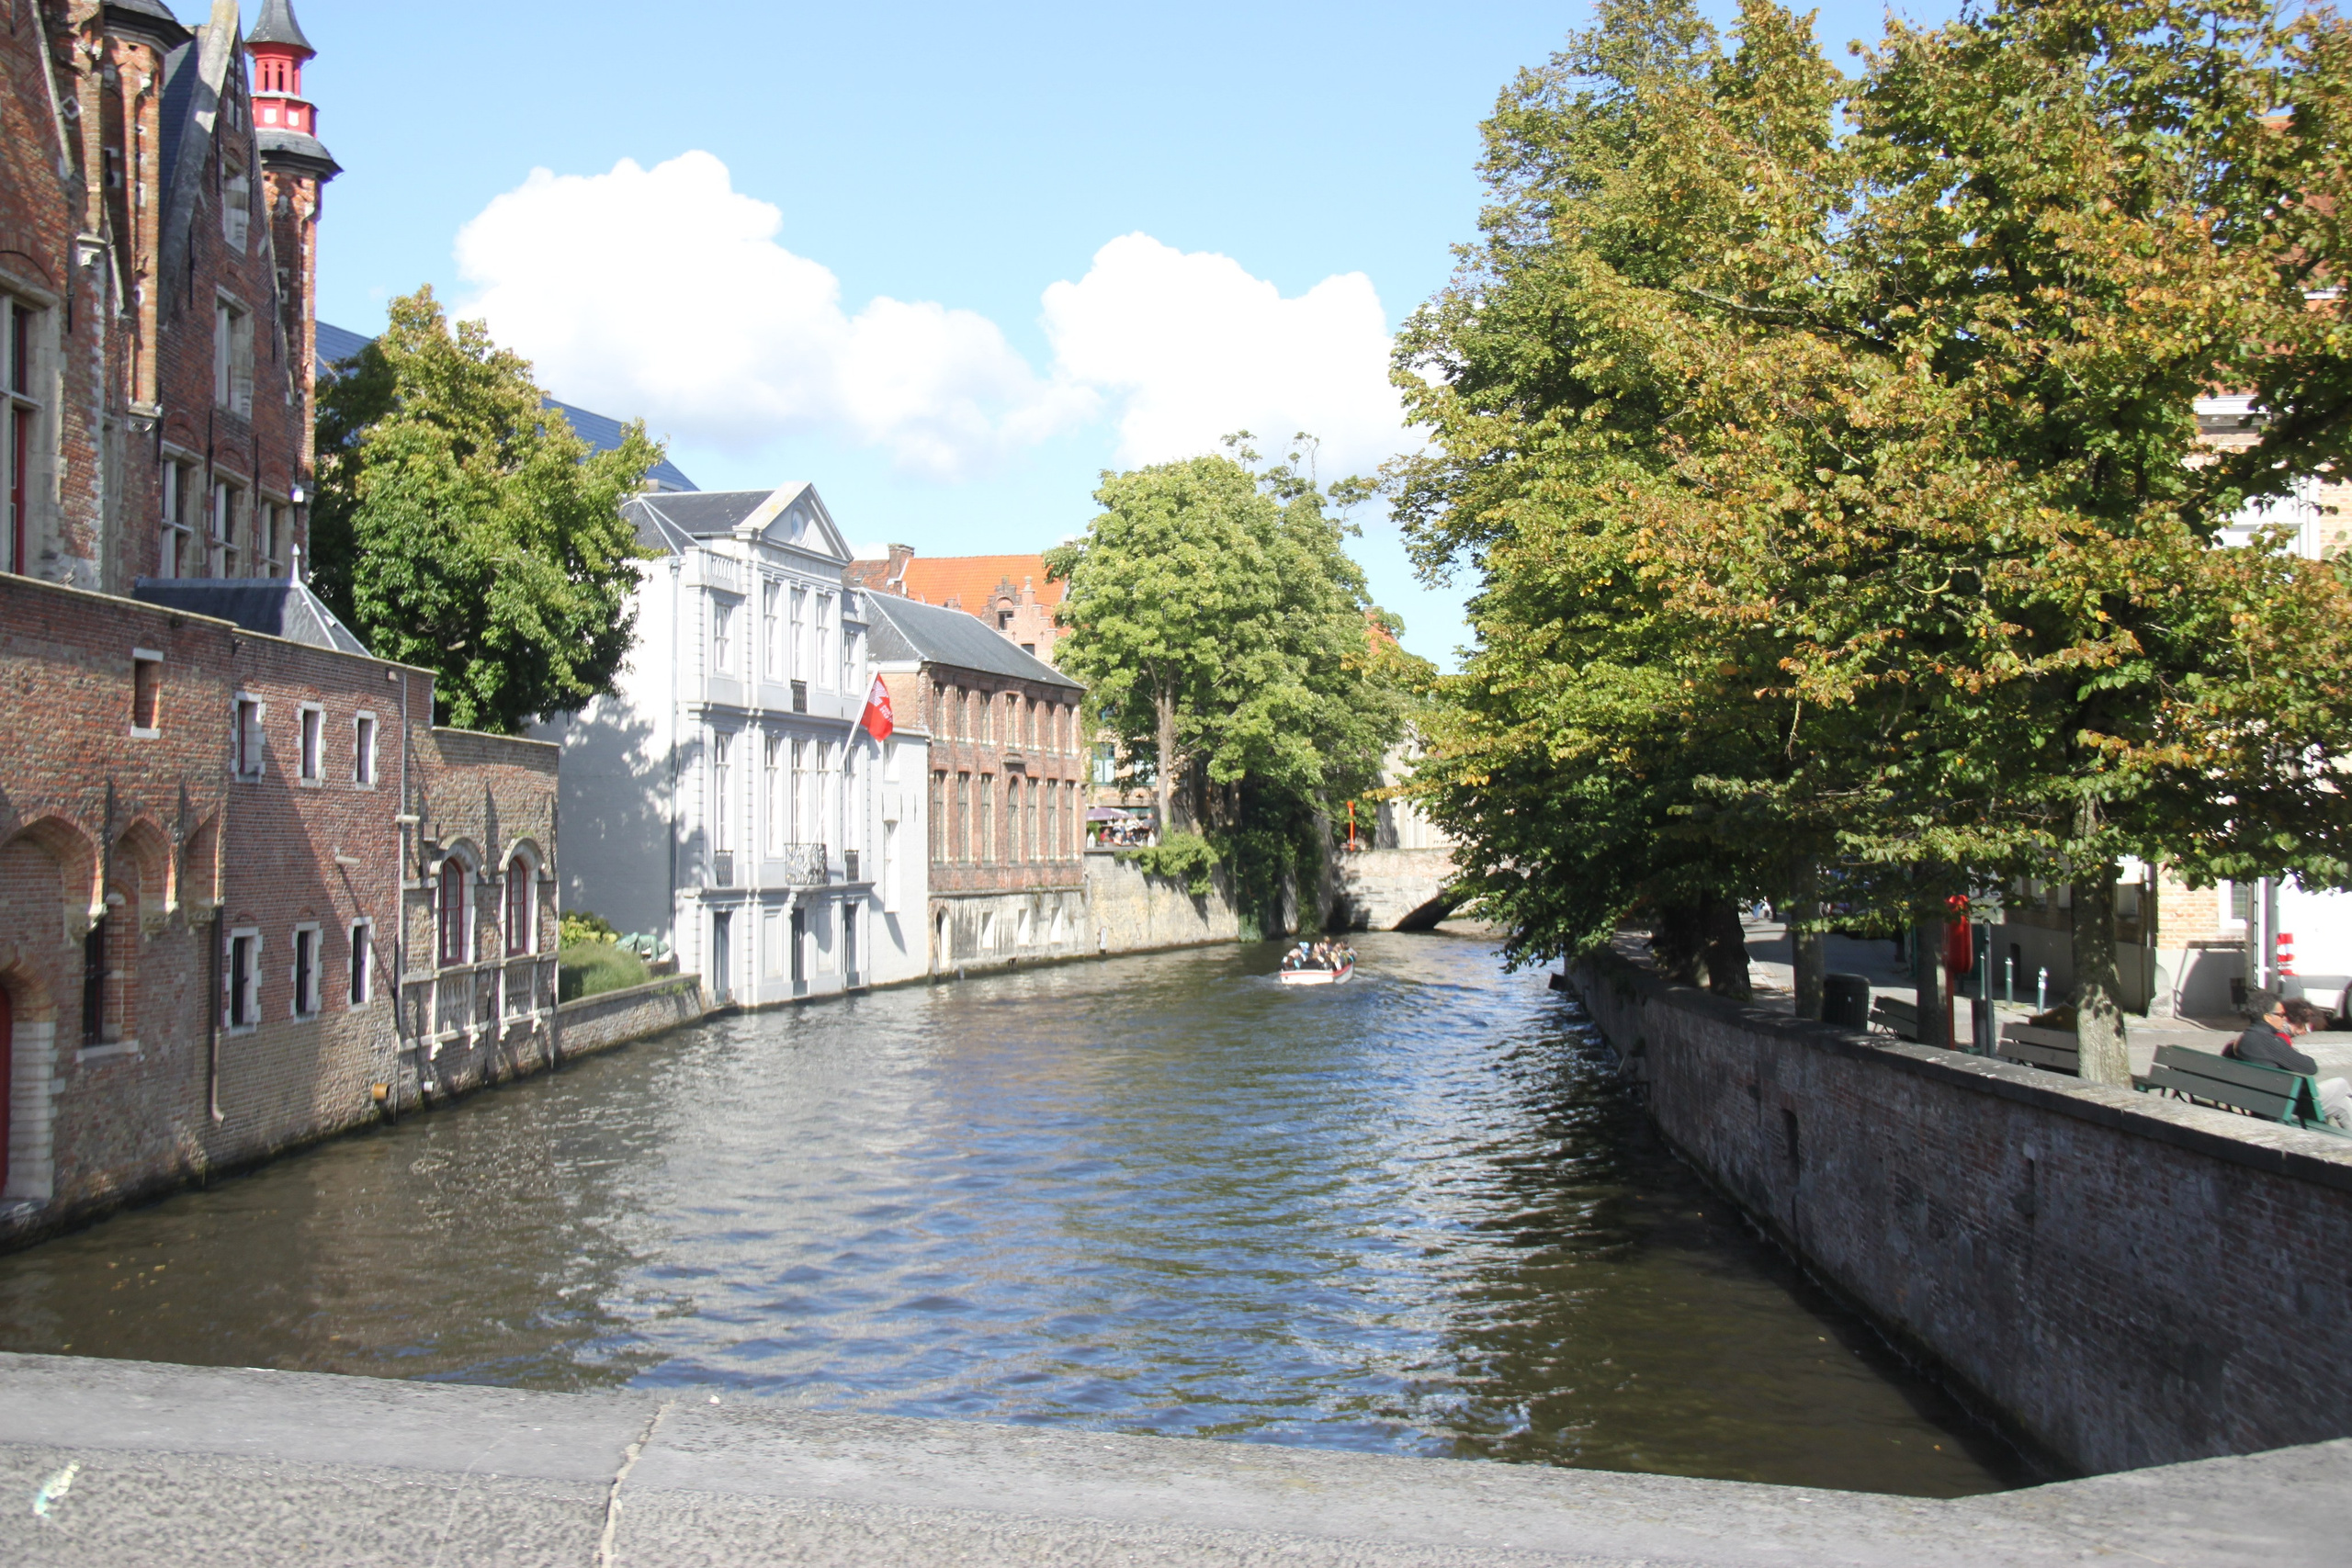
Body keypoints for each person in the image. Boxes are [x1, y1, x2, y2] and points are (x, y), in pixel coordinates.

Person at [2229, 991, 2351, 1128]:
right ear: (2268, 1017)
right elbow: (2310, 1067)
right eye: (2281, 1015)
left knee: (2343, 1103)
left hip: (2261, 1105)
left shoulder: (2243, 1040)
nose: (2284, 1018)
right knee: (2341, 1084)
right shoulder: (2270, 1042)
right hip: (2281, 1110)